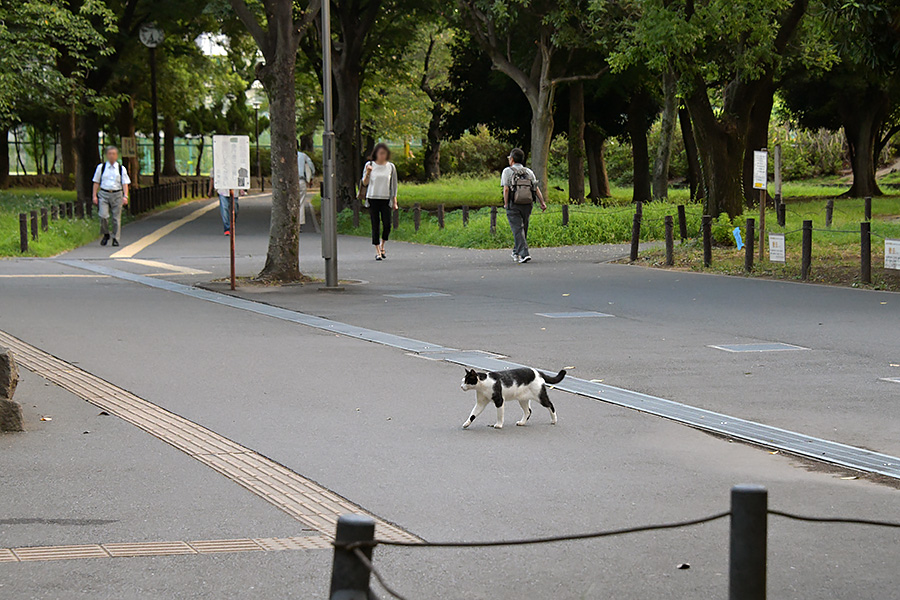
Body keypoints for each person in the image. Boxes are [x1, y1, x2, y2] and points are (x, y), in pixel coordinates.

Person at [501, 147, 546, 263]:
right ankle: (516, 252)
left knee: (517, 229)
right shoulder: (529, 172)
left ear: (511, 159)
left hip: (513, 203)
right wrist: (542, 202)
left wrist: (506, 203)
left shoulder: (507, 171)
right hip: (527, 203)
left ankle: (524, 254)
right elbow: (535, 189)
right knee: (523, 228)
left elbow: (506, 189)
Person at [361, 143, 398, 261]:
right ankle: (377, 250)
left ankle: (383, 245)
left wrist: (394, 200)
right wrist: (368, 173)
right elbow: (364, 183)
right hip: (373, 197)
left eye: (384, 153)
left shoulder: (390, 167)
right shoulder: (369, 165)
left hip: (386, 198)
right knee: (375, 224)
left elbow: (394, 185)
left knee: (387, 224)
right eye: (380, 153)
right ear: (376, 153)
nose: (382, 155)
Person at [91, 146, 131, 247]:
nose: (111, 156)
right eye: (109, 153)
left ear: (117, 156)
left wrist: (125, 196)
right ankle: (106, 233)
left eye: (113, 154)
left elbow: (125, 183)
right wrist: (94, 195)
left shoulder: (121, 169)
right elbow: (96, 182)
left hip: (117, 194)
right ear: (106, 155)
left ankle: (116, 238)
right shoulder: (101, 167)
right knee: (103, 216)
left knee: (116, 218)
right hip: (104, 194)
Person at [297, 144, 315, 226]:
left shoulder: (285, 156)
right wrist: (311, 177)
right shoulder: (303, 156)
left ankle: (290, 223)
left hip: (289, 183)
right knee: (301, 202)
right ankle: (300, 223)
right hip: (301, 181)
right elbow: (311, 166)